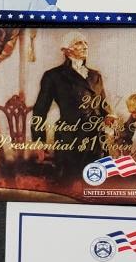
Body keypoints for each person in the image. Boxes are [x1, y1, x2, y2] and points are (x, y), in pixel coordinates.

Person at [31, 31, 109, 179]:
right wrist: (39, 142)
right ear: (66, 50)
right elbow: (40, 110)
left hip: (96, 138)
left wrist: (109, 116)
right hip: (70, 138)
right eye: (79, 43)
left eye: (86, 43)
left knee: (94, 181)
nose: (85, 46)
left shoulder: (95, 75)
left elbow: (103, 105)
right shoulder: (53, 76)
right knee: (68, 182)